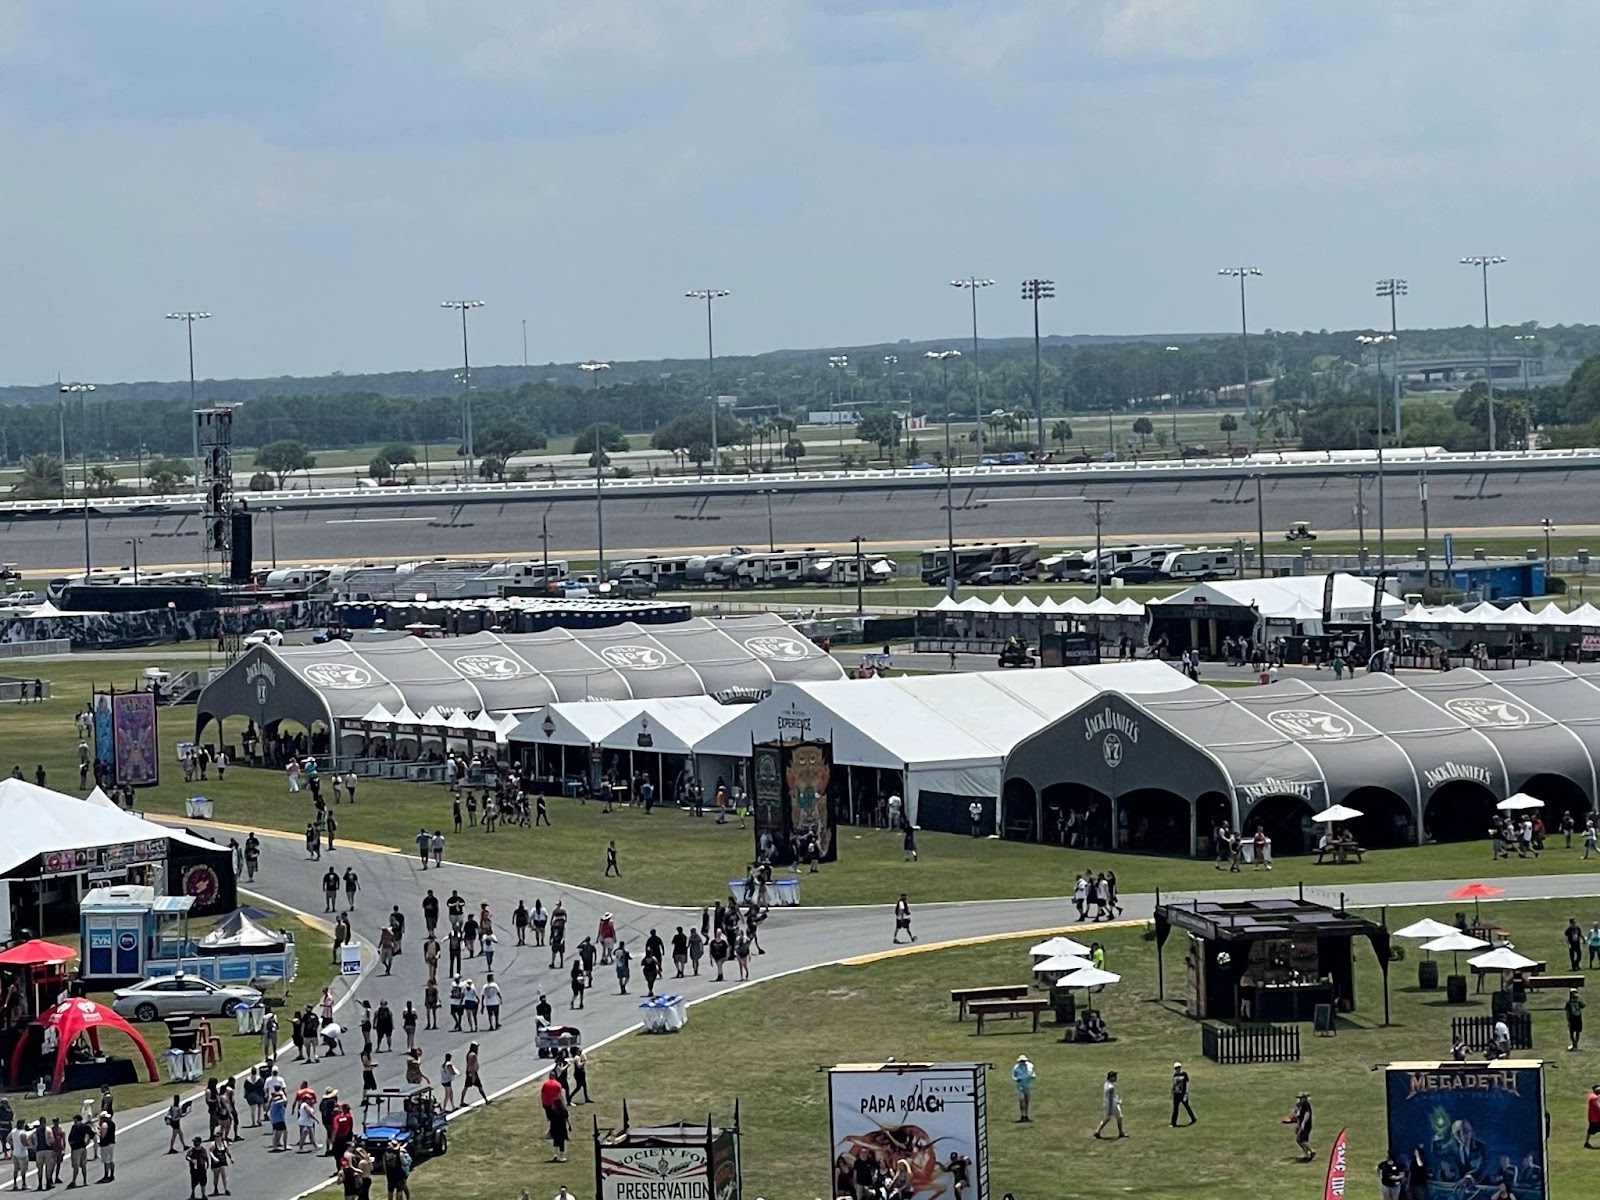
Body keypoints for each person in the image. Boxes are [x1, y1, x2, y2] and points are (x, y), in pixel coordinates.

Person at [1094, 1070, 1125, 1139]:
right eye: (1114, 1077)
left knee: (1108, 1118)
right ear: (1111, 1078)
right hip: (1113, 1105)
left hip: (1107, 1104)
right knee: (1119, 1117)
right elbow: (1111, 1098)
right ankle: (1121, 1132)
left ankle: (1097, 1131)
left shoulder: (1106, 1084)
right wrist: (1111, 1109)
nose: (1116, 1078)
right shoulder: (1111, 1087)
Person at [1286, 1093, 1314, 1161]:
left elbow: (1307, 1113)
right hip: (1300, 1124)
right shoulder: (1300, 1104)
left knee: (1302, 1140)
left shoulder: (1305, 1104)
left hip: (1305, 1125)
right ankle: (1308, 1151)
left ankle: (1309, 1153)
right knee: (1298, 1140)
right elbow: (1297, 1112)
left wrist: (1303, 1123)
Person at [1170, 1062, 1195, 1127]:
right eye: (1176, 1068)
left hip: (1182, 1094)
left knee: (1187, 1107)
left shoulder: (1184, 1074)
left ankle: (1193, 1118)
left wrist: (1186, 1094)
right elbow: (1174, 1084)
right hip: (1176, 1094)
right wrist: (1172, 1092)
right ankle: (1173, 1123)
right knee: (1175, 1109)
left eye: (1178, 1067)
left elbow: (1187, 1084)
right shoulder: (1175, 1075)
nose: (1177, 1069)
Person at [1012, 1055, 1035, 1123]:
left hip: (1027, 1085)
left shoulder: (1030, 1066)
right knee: (1022, 1100)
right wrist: (1017, 1079)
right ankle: (1022, 1115)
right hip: (1020, 1085)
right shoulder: (1016, 1067)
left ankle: (1026, 1115)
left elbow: (1033, 1074)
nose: (1022, 1062)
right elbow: (1014, 1076)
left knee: (1027, 1100)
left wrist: (1031, 1077)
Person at [1585, 1084, 1600, 1149]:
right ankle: (1586, 1143)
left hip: (1593, 1117)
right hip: (1595, 1118)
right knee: (1591, 1131)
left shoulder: (1592, 1095)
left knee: (1590, 1131)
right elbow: (1598, 1106)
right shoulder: (1594, 1097)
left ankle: (1586, 1143)